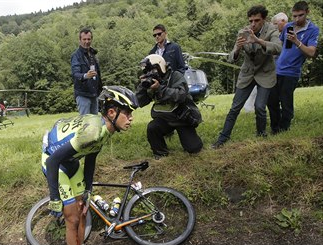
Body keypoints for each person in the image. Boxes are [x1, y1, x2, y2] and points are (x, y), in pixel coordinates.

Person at [42, 86, 138, 245]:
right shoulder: (93, 132)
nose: (131, 118)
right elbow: (52, 162)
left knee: (82, 211)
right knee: (73, 218)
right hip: (55, 162)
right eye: (128, 113)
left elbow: (91, 158)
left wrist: (87, 190)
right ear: (112, 113)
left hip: (71, 161)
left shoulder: (104, 131)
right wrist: (54, 199)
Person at [212, 5, 282, 149]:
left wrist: (258, 40)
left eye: (256, 20)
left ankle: (261, 135)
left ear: (264, 19)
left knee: (260, 107)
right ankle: (222, 139)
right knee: (234, 108)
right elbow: (231, 58)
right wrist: (237, 48)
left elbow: (278, 48)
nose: (253, 24)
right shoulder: (243, 32)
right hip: (247, 74)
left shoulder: (272, 30)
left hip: (265, 74)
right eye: (251, 21)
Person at [136, 54, 203, 159]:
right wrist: (142, 87)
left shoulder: (175, 76)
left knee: (194, 148)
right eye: (148, 71)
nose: (151, 73)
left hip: (181, 117)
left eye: (153, 70)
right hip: (164, 119)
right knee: (152, 127)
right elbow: (140, 102)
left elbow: (180, 95)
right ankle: (160, 154)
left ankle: (191, 139)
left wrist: (160, 89)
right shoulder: (151, 82)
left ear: (161, 67)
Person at [267, 1, 319, 134]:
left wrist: (297, 41)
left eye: (300, 16)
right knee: (271, 100)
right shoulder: (288, 26)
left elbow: (311, 52)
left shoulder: (313, 30)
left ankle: (284, 130)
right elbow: (282, 46)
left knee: (286, 102)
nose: (297, 19)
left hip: (291, 72)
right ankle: (275, 128)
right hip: (277, 69)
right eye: (294, 16)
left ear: (307, 12)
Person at [71, 28, 102, 115]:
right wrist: (85, 76)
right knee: (85, 123)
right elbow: (75, 74)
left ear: (91, 39)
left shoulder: (93, 54)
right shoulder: (76, 56)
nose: (86, 41)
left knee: (94, 123)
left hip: (94, 94)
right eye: (84, 39)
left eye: (89, 39)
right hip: (83, 95)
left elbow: (98, 74)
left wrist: (101, 89)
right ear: (80, 40)